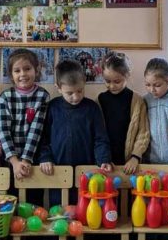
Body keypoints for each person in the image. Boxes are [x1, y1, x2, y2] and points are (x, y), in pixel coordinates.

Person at [38, 60, 113, 200]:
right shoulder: (52, 108)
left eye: (80, 91)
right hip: (58, 172)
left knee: (85, 212)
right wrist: (45, 158)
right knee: (60, 213)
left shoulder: (92, 108)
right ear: (58, 88)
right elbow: (43, 137)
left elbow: (100, 138)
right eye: (70, 93)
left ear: (84, 83)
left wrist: (104, 160)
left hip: (86, 173)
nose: (76, 97)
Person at [0, 49, 51, 183]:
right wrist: (14, 162)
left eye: (27, 69)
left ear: (36, 70)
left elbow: (36, 130)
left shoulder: (43, 96)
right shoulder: (5, 97)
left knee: (34, 201)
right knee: (10, 199)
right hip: (10, 160)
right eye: (17, 71)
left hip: (34, 159)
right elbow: (3, 131)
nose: (23, 74)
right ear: (11, 74)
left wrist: (26, 159)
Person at [97, 51, 150, 173]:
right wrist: (103, 158)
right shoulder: (100, 100)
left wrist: (135, 157)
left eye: (117, 81)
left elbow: (143, 132)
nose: (112, 86)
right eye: (107, 81)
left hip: (130, 163)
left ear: (127, 76)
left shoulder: (137, 101)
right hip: (106, 163)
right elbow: (97, 134)